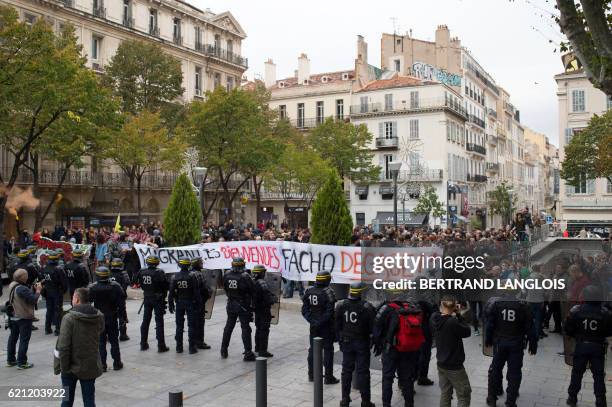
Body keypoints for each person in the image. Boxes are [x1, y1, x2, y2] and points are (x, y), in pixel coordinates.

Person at [485, 288, 537, 407]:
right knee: (515, 372)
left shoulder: (496, 304)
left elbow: (490, 324)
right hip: (516, 343)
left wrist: (488, 339)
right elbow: (530, 327)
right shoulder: (523, 306)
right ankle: (511, 401)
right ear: (517, 291)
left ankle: (492, 398)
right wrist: (533, 344)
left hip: (500, 342)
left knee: (495, 370)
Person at [55, 288, 105, 407]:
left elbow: (63, 345)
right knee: (89, 400)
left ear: (77, 299)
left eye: (73, 298)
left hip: (71, 365)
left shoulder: (69, 318)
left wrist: (64, 367)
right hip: (90, 364)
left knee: (66, 401)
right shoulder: (99, 315)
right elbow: (101, 330)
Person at [373, 293, 425, 407]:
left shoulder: (386, 308)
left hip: (391, 349)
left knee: (387, 378)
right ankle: (409, 404)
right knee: (407, 379)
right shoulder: (412, 307)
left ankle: (386, 404)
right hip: (409, 349)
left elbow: (376, 328)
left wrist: (378, 345)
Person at [564, 285, 612, 407]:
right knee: (598, 375)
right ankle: (600, 400)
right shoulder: (605, 313)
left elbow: (568, 329)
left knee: (577, 373)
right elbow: (609, 331)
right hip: (597, 347)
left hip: (581, 346)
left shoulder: (576, 310)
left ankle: (572, 398)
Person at [334, 281, 376, 407]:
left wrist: (340, 340)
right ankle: (365, 401)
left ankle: (345, 399)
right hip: (361, 343)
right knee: (363, 372)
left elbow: (336, 326)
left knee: (346, 371)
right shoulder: (367, 307)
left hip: (346, 342)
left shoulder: (341, 305)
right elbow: (373, 328)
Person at [430, 296, 472, 407]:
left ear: (441, 305)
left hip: (441, 364)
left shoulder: (434, 318)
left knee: (445, 393)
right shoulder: (453, 322)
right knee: (464, 395)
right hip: (455, 367)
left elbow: (439, 313)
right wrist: (458, 315)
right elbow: (467, 331)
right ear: (454, 307)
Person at [302, 270, 339, 384]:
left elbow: (304, 310)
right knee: (328, 350)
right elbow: (329, 312)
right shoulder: (329, 292)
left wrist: (312, 321)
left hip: (313, 326)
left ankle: (312, 375)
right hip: (326, 326)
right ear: (327, 280)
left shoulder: (309, 291)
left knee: (313, 349)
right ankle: (328, 376)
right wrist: (320, 322)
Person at [88, 266, 125, 371]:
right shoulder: (116, 286)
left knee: (101, 342)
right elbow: (121, 304)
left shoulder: (93, 288)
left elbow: (88, 302)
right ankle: (117, 363)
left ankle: (102, 365)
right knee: (114, 342)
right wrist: (123, 317)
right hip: (112, 316)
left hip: (99, 317)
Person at [221, 257, 256, 361]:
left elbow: (225, 288)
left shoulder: (226, 274)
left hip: (231, 303)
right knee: (245, 328)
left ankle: (223, 349)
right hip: (242, 305)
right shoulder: (245, 276)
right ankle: (248, 353)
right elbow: (252, 290)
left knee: (228, 327)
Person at [6, 269, 41, 369]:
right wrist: (38, 290)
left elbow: (23, 296)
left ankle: (11, 360)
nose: (27, 276)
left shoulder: (12, 284)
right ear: (23, 277)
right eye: (26, 275)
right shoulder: (22, 288)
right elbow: (34, 300)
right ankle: (22, 362)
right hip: (23, 317)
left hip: (13, 315)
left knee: (13, 338)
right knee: (24, 340)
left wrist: (31, 290)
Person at [167, 257, 201, 354]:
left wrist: (170, 304)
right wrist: (199, 303)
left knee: (179, 326)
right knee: (191, 325)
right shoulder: (192, 276)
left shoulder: (175, 276)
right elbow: (196, 291)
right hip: (190, 302)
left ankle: (179, 347)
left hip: (179, 303)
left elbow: (171, 292)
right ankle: (191, 347)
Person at [137, 255, 170, 352]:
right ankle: (161, 345)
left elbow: (136, 282)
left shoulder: (142, 271)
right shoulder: (159, 272)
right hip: (157, 298)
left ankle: (143, 343)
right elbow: (165, 285)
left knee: (145, 320)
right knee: (159, 322)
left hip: (147, 297)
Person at [252, 265, 278, 358]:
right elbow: (267, 298)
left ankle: (257, 348)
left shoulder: (252, 281)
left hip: (256, 309)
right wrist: (274, 299)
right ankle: (263, 351)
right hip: (264, 310)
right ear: (261, 273)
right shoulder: (262, 283)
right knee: (264, 330)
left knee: (258, 329)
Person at [41, 250, 68, 336]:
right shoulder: (58, 269)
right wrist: (63, 291)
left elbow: (43, 280)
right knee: (58, 310)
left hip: (48, 291)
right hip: (56, 291)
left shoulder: (45, 268)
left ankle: (47, 328)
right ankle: (57, 329)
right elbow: (64, 283)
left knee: (49, 310)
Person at [191, 257, 212, 350]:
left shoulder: (188, 274)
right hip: (199, 302)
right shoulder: (199, 274)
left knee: (192, 322)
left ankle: (192, 341)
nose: (202, 264)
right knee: (199, 322)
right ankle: (200, 342)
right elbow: (205, 289)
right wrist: (207, 296)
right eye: (201, 263)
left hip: (189, 302)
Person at [110, 258, 130, 341]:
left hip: (110, 297)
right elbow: (126, 284)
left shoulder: (108, 273)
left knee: (111, 316)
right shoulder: (123, 274)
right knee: (122, 316)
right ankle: (123, 334)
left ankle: (111, 334)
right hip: (120, 298)